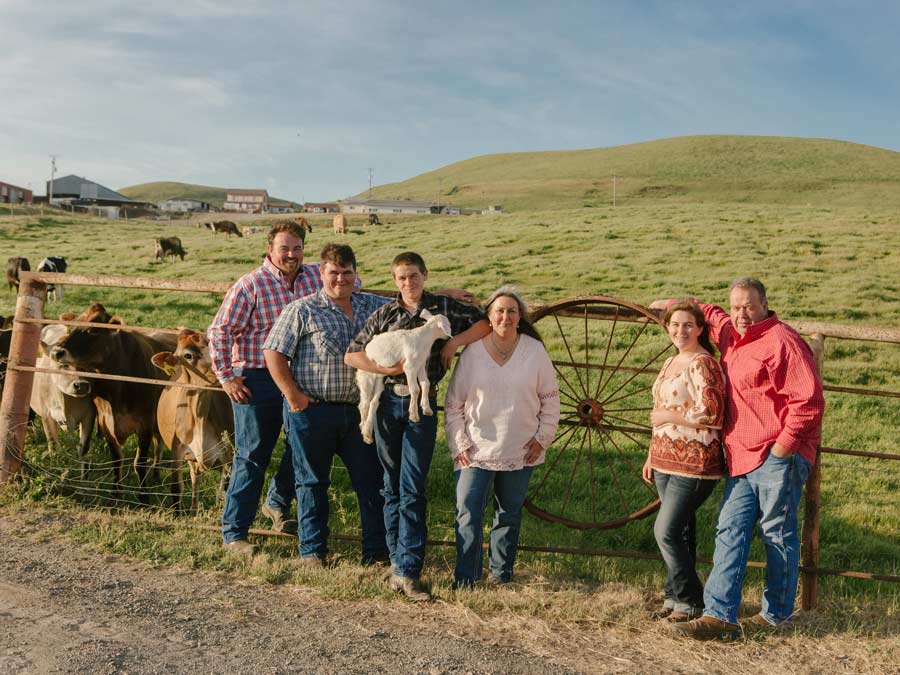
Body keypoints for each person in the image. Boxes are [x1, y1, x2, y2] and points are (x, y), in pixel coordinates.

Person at [653, 278, 824, 639]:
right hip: (741, 455)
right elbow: (708, 313)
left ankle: (776, 615)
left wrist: (782, 449)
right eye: (736, 307)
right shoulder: (731, 333)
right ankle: (720, 615)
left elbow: (808, 403)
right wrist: (672, 301)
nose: (741, 313)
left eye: (749, 306)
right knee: (729, 529)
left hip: (779, 454)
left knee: (777, 532)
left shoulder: (783, 342)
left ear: (764, 303)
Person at [345, 252, 490, 601]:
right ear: (394, 281)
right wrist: (388, 370)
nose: (408, 283)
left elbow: (484, 323)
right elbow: (353, 354)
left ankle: (408, 569)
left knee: (412, 485)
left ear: (425, 275)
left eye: (413, 276)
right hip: (387, 403)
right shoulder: (384, 314)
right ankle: (397, 562)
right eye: (401, 278)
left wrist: (453, 342)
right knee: (390, 484)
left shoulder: (442, 307)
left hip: (420, 406)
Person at [209, 221, 357, 554]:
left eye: (297, 248)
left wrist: (434, 296)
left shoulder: (314, 277)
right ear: (270, 249)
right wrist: (227, 376)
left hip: (299, 377)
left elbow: (352, 282)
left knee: (305, 446)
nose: (291, 255)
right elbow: (219, 331)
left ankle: (276, 500)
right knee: (253, 454)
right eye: (284, 248)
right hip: (258, 377)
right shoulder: (251, 285)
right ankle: (235, 533)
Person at [263, 243, 389, 566]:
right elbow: (273, 353)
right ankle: (313, 553)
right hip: (312, 410)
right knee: (311, 482)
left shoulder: (372, 306)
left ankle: (375, 555)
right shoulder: (302, 310)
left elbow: (407, 304)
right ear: (321, 273)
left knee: (371, 483)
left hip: (359, 413)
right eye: (334, 272)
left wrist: (444, 295)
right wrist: (293, 396)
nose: (341, 279)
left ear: (355, 275)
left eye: (347, 273)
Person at [444, 286, 559, 588]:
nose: (505, 316)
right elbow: (454, 404)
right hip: (475, 448)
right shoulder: (473, 353)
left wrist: (542, 438)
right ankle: (466, 578)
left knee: (508, 514)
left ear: (520, 317)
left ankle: (500, 575)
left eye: (511, 311)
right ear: (490, 316)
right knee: (468, 512)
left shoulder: (534, 352)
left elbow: (550, 399)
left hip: (521, 447)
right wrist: (460, 443)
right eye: (499, 311)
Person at [641, 300, 725, 622]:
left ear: (700, 329)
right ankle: (675, 600)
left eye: (688, 325)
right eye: (675, 325)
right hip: (664, 459)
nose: (680, 330)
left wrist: (669, 414)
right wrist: (651, 455)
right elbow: (657, 414)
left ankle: (692, 599)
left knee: (665, 531)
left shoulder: (703, 363)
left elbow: (713, 413)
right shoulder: (670, 362)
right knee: (682, 533)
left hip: (696, 460)